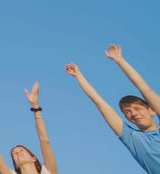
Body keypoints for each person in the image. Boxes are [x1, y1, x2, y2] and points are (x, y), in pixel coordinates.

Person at [65, 43, 160, 173]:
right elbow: (99, 102)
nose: (133, 113)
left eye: (137, 108)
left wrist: (120, 60)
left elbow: (144, 88)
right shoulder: (132, 138)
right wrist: (79, 76)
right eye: (128, 112)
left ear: (152, 110)